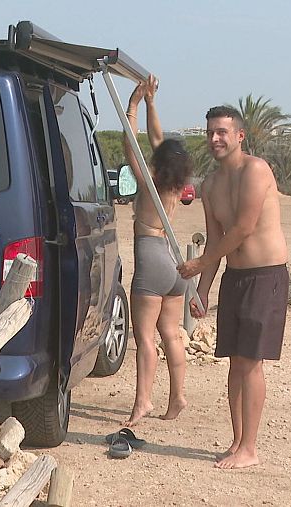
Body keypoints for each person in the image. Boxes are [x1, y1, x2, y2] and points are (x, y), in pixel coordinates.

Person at [177, 105, 289, 469]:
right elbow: (216, 239)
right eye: (210, 132)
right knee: (234, 362)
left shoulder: (256, 170)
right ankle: (238, 441)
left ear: (240, 136)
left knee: (251, 362)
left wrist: (198, 264)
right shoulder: (210, 185)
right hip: (234, 277)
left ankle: (250, 449)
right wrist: (202, 289)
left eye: (222, 132)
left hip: (265, 276)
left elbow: (243, 228)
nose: (215, 139)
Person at [122, 76, 194, 427]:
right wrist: (152, 103)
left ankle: (143, 402)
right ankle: (177, 395)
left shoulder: (149, 181)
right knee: (171, 333)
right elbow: (157, 140)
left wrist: (133, 106)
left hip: (151, 256)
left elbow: (130, 143)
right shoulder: (176, 183)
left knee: (145, 337)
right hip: (173, 258)